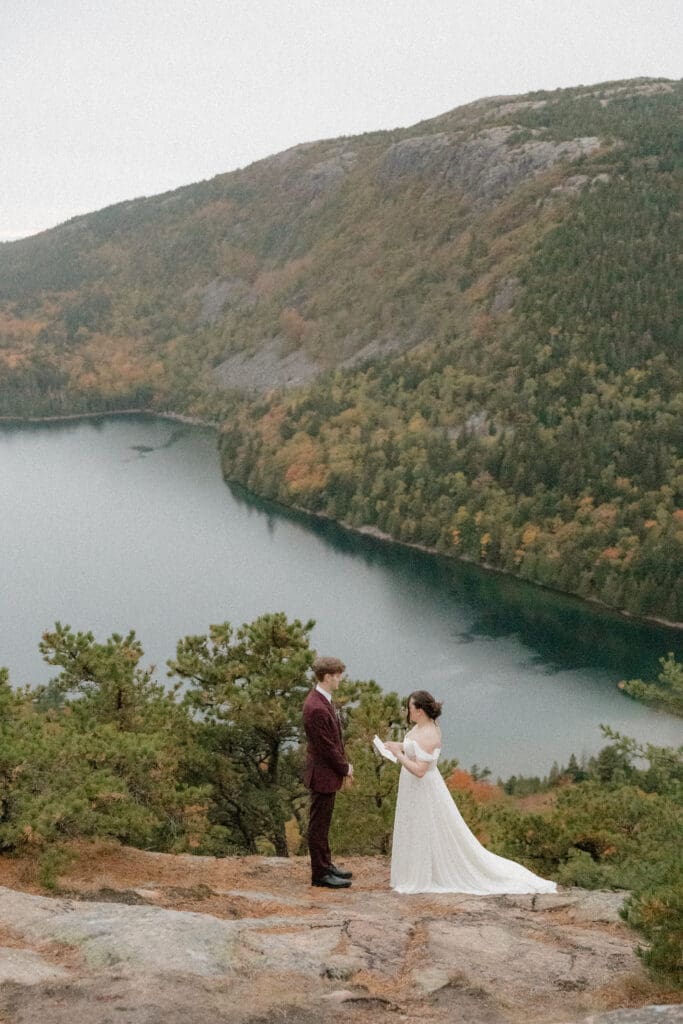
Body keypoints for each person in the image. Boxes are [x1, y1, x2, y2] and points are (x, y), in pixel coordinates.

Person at [384, 691, 557, 895]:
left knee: (424, 827)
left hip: (423, 789)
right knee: (413, 826)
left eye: (410, 707)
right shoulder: (422, 726)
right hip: (412, 788)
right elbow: (414, 745)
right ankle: (412, 872)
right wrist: (399, 746)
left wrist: (397, 755)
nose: (408, 711)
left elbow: (420, 770)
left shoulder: (430, 733)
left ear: (420, 711)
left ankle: (421, 875)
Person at [302, 655, 354, 889]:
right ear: (327, 677)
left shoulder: (323, 700)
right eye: (337, 676)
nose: (340, 679)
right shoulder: (316, 707)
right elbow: (327, 747)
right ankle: (320, 874)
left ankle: (326, 865)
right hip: (322, 775)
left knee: (323, 824)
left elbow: (333, 741)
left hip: (325, 773)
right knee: (318, 826)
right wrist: (345, 768)